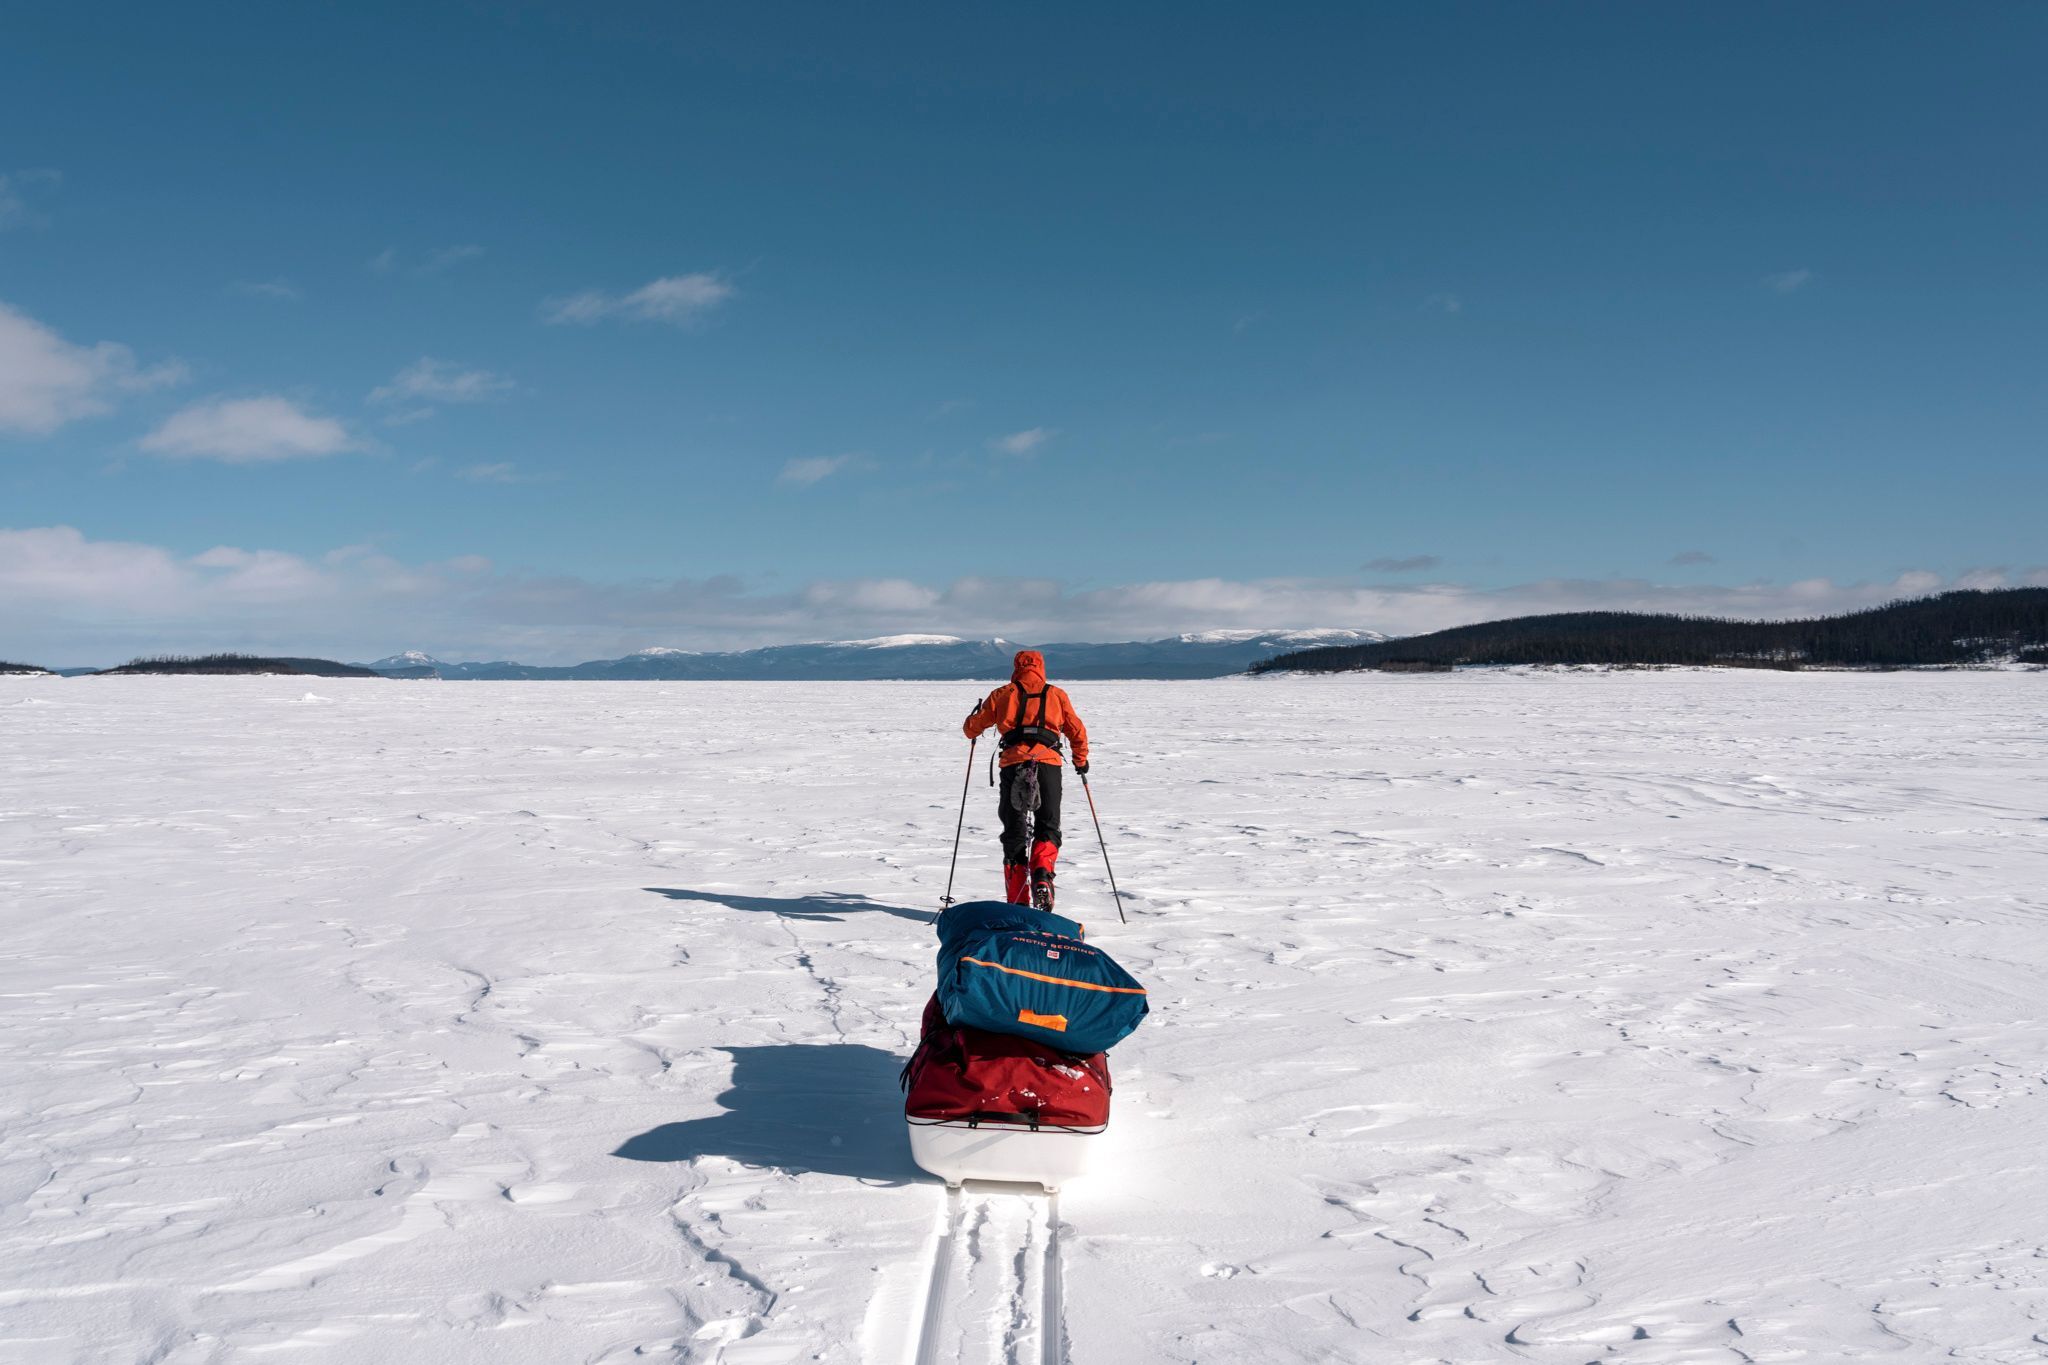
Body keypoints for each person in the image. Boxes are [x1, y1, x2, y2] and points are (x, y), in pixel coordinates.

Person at [963, 649, 1091, 910]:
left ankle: (1018, 902)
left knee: (1014, 832)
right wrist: (1081, 760)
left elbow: (971, 729)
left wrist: (973, 717)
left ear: (1016, 667)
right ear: (1041, 667)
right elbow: (1076, 730)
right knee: (1048, 825)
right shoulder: (1056, 694)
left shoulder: (1002, 694)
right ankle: (1043, 876)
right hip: (1048, 764)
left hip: (1013, 763)